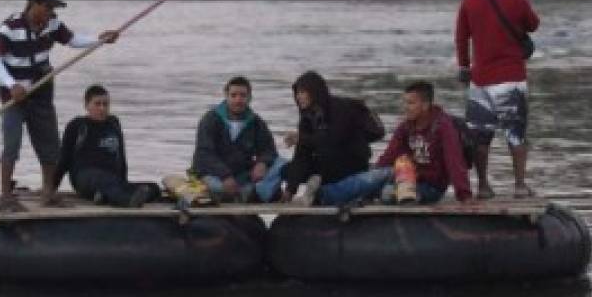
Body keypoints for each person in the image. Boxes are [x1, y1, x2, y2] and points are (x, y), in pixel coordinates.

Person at [0, 0, 118, 210]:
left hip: (41, 91)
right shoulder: (10, 27)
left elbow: (71, 40)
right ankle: (6, 197)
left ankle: (48, 192)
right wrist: (12, 85)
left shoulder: (52, 24)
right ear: (34, 4)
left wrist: (99, 40)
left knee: (49, 144)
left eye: (53, 7)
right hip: (15, 96)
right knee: (12, 144)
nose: (51, 11)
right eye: (48, 6)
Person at [455, 0, 541, 199]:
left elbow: (461, 38)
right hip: (511, 79)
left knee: (481, 136)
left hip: (480, 80)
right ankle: (520, 186)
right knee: (515, 134)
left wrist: (464, 67)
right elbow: (533, 25)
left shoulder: (470, 2)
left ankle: (483, 186)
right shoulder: (518, 0)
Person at [282, 71, 385, 206]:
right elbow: (302, 154)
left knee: (327, 154)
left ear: (315, 91)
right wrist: (290, 189)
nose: (298, 97)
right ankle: (314, 187)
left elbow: (333, 139)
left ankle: (319, 190)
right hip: (328, 162)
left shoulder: (339, 108)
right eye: (297, 93)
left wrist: (302, 139)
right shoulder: (307, 118)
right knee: (287, 170)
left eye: (302, 92)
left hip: (352, 160)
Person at [54, 85, 159, 208]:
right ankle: (127, 201)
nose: (102, 108)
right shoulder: (77, 125)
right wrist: (51, 187)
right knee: (105, 181)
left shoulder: (113, 123)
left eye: (105, 104)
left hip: (112, 178)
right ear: (87, 105)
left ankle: (104, 197)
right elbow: (64, 159)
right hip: (85, 177)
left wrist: (124, 181)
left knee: (154, 188)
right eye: (97, 104)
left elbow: (121, 157)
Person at [192, 76, 288, 203]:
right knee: (217, 187)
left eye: (243, 95)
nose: (238, 100)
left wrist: (262, 163)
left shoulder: (256, 122)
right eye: (234, 95)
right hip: (213, 175)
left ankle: (250, 193)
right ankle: (250, 194)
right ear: (226, 96)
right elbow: (204, 154)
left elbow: (269, 150)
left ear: (250, 98)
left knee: (282, 163)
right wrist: (225, 175)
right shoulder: (210, 119)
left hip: (242, 176)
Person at [375, 81, 472, 202]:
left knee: (386, 193)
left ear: (425, 105)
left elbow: (454, 161)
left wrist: (464, 195)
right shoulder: (406, 126)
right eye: (405, 102)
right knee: (375, 179)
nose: (406, 107)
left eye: (410, 103)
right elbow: (389, 155)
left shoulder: (443, 127)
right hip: (406, 178)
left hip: (431, 187)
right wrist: (376, 173)